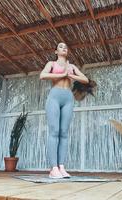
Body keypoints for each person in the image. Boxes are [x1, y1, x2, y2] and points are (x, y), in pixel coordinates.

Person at [39, 42, 89, 178]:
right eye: (61, 47)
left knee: (64, 133)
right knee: (54, 131)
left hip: (68, 98)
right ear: (56, 51)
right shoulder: (51, 64)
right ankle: (53, 168)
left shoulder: (72, 67)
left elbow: (85, 79)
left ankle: (61, 167)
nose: (64, 48)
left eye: (66, 47)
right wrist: (62, 75)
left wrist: (72, 76)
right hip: (54, 96)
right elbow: (42, 75)